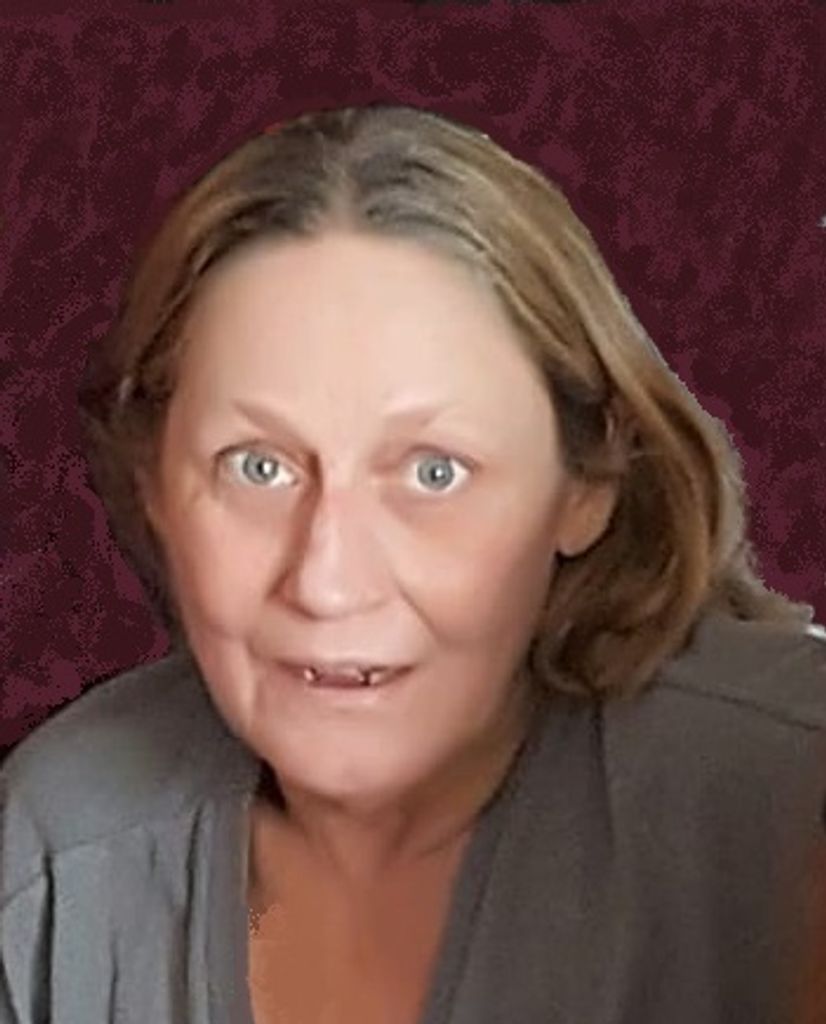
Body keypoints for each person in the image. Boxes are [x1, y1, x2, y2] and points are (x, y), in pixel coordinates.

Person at [1, 101, 824, 1024]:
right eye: (258, 467)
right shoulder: (59, 856)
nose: (327, 582)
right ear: (153, 484)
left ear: (587, 483)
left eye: (435, 472)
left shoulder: (792, 793)